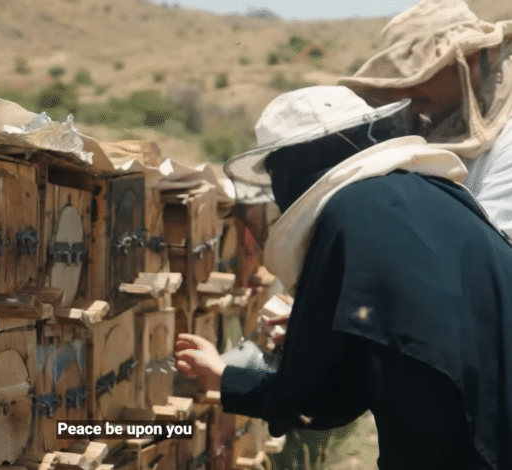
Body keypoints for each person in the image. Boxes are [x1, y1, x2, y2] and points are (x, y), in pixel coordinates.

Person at [180, 85, 512, 470]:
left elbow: (312, 399)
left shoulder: (347, 216)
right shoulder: (439, 197)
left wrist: (224, 376)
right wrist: (333, 330)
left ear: (292, 165)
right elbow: (410, 336)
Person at [337, 0, 512, 236]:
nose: (407, 89)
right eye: (402, 76)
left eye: (425, 71)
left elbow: (490, 246)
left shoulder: (507, 142)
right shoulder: (429, 123)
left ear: (471, 62)